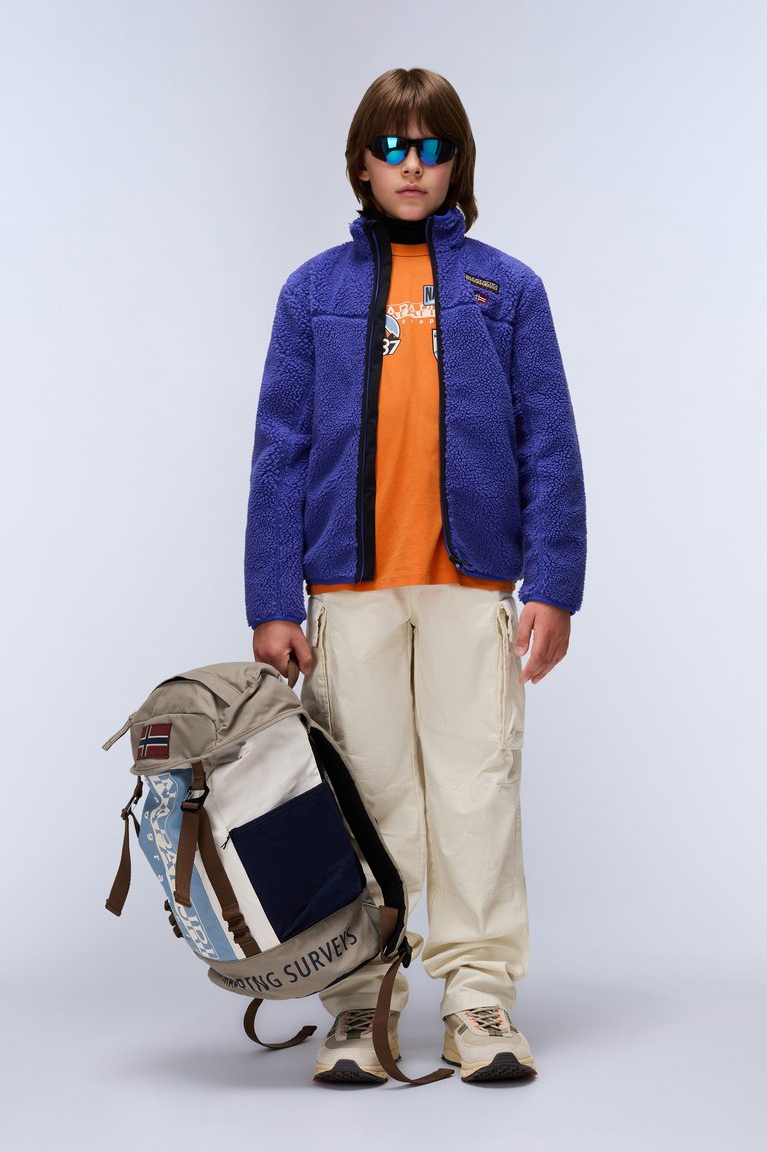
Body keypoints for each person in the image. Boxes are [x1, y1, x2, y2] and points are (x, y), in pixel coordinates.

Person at [244, 67, 587, 1085]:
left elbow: (548, 444)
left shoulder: (506, 289)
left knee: (476, 792)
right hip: (345, 593)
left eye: (431, 148)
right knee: (365, 796)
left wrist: (554, 584)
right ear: (360, 162)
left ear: (455, 164)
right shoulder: (312, 292)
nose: (411, 166)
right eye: (391, 147)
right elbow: (278, 452)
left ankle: (478, 998)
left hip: (470, 589)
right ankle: (363, 1000)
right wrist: (271, 598)